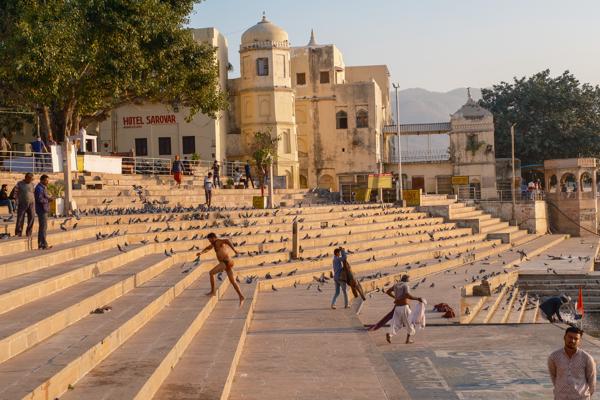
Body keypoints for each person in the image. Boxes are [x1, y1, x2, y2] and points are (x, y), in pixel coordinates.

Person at [196, 233, 245, 306]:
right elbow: (208, 248)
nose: (210, 242)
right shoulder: (214, 243)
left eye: (210, 240)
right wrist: (201, 253)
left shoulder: (218, 241)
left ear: (213, 238)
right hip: (228, 263)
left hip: (225, 262)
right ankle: (241, 296)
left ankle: (213, 291)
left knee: (211, 273)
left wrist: (234, 250)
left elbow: (227, 240)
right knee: (233, 281)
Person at [548, 326, 596, 399]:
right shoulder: (554, 357)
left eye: (576, 339)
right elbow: (554, 376)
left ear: (579, 340)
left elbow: (592, 381)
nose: (572, 340)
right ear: (564, 337)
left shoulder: (587, 358)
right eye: (570, 337)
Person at [385, 275, 423, 344]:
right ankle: (407, 340)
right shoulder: (406, 285)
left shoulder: (396, 285)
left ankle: (390, 335)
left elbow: (388, 291)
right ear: (406, 280)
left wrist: (395, 298)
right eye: (409, 279)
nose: (409, 281)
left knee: (398, 324)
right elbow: (407, 295)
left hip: (397, 307)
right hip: (404, 307)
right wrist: (417, 298)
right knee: (411, 322)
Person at [14, 172, 35, 237]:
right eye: (30, 179)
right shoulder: (19, 184)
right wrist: (16, 200)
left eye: (32, 179)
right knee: (20, 218)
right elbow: (15, 192)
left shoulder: (32, 184)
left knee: (32, 217)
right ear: (26, 178)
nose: (31, 180)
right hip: (22, 203)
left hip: (32, 203)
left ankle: (29, 232)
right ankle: (18, 232)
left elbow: (34, 192)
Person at [34, 174, 52, 249]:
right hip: (41, 210)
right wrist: (48, 200)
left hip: (44, 209)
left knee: (43, 227)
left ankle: (41, 244)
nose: (47, 182)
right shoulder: (39, 188)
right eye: (46, 180)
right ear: (42, 180)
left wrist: (50, 197)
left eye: (48, 180)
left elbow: (44, 197)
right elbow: (39, 199)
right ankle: (43, 244)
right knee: (43, 227)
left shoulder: (43, 187)